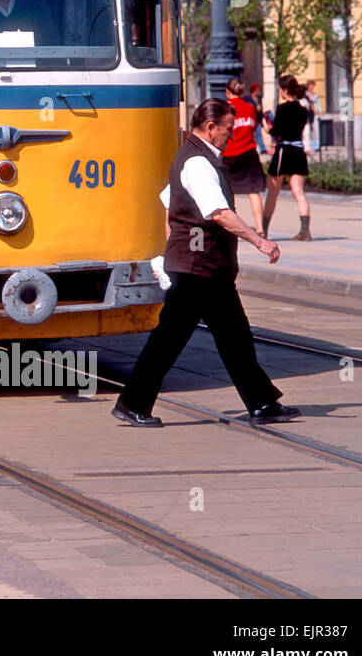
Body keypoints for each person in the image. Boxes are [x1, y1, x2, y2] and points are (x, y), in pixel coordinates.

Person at [112, 98, 299, 427]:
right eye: (228, 129)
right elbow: (218, 213)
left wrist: (177, 242)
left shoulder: (197, 157)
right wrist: (259, 240)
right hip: (196, 270)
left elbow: (168, 202)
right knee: (169, 339)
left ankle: (262, 403)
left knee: (235, 337)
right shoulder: (198, 163)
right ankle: (132, 402)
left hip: (206, 268)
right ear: (211, 128)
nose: (232, 135)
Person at [264, 74, 313, 241]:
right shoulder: (303, 110)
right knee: (299, 192)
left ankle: (263, 230)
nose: (279, 91)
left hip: (283, 151)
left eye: (279, 89)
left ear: (285, 90)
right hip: (298, 151)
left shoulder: (282, 108)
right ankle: (305, 231)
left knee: (272, 192)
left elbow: (276, 131)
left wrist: (267, 127)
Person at [221, 79, 266, 236]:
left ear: (228, 91)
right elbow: (253, 127)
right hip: (249, 153)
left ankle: (231, 229)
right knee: (253, 192)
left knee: (227, 193)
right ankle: (260, 228)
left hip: (229, 154)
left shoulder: (224, 109)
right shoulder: (250, 107)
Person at [247, 80, 268, 155]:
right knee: (249, 134)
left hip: (257, 119)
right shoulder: (247, 98)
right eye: (257, 90)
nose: (259, 91)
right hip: (250, 119)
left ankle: (262, 148)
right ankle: (250, 148)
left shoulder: (259, 98)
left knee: (259, 134)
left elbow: (260, 109)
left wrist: (263, 118)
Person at [303, 78, 321, 153]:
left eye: (313, 86)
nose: (312, 87)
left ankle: (315, 146)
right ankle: (306, 146)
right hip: (306, 113)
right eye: (311, 85)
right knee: (306, 129)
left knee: (314, 129)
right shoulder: (305, 94)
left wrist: (320, 111)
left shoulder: (315, 95)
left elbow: (317, 103)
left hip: (312, 113)